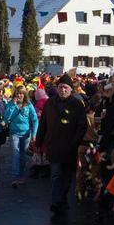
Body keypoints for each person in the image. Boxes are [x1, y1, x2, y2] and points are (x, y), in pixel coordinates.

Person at [36, 76, 87, 215]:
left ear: (71, 89)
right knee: (56, 174)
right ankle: (55, 201)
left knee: (67, 176)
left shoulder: (77, 104)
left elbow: (82, 126)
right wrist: (39, 142)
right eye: (60, 87)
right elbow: (43, 123)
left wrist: (74, 143)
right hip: (53, 146)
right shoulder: (50, 103)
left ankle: (62, 199)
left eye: (65, 87)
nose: (63, 90)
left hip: (69, 147)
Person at [4, 86, 38, 187]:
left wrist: (34, 134)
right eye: (17, 93)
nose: (19, 95)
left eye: (21, 93)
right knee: (16, 154)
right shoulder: (10, 104)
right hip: (14, 133)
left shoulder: (29, 105)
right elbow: (6, 118)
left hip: (26, 133)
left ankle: (22, 175)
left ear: (24, 94)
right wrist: (13, 106)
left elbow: (35, 120)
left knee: (23, 156)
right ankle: (15, 177)